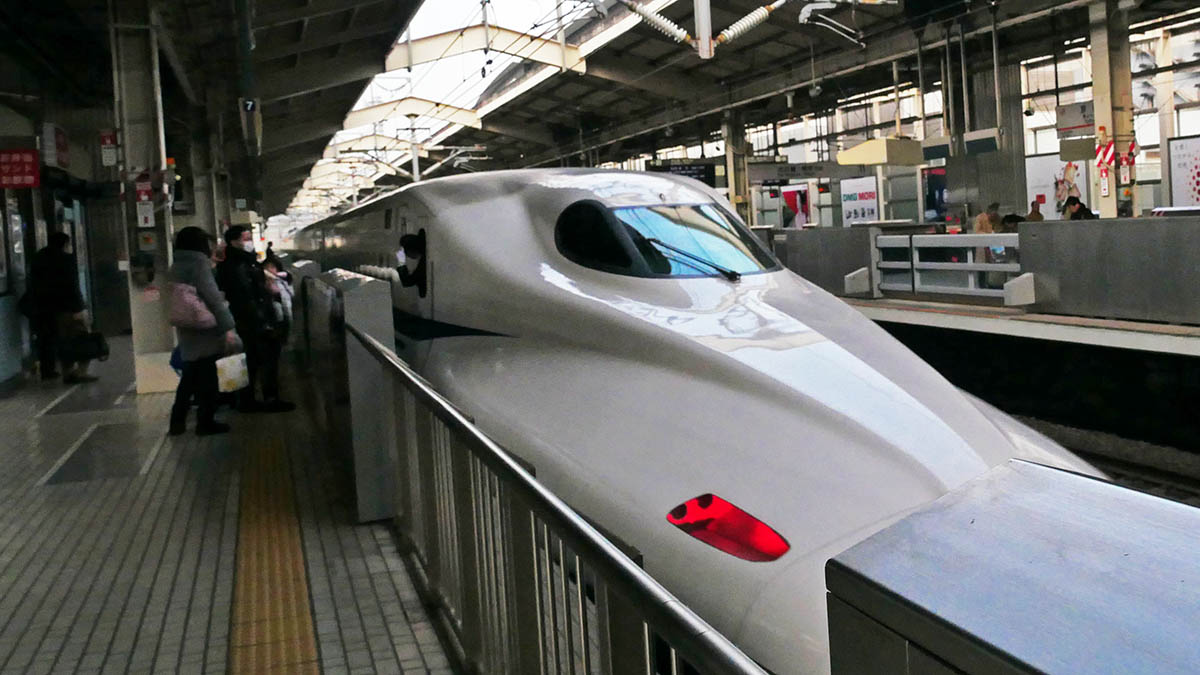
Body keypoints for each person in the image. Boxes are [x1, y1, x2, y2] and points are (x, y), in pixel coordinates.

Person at [216, 226, 294, 413]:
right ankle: (267, 400)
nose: (250, 241)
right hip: (253, 321)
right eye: (246, 238)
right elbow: (247, 297)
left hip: (250, 320)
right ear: (234, 241)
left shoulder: (242, 262)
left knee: (251, 362)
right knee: (264, 361)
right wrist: (264, 322)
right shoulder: (237, 266)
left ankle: (247, 400)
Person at [169, 227, 239, 436]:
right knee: (209, 376)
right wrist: (228, 327)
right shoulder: (199, 263)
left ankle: (177, 422)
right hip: (206, 326)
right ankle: (205, 422)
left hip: (187, 326)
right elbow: (213, 298)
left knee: (190, 376)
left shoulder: (176, 264)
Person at [28, 232, 96, 383]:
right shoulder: (66, 260)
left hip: (43, 308)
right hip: (67, 308)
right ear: (65, 244)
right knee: (81, 338)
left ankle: (59, 371)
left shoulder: (38, 258)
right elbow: (72, 285)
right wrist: (80, 308)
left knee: (56, 341)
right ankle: (81, 372)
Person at [395, 233, 427, 297]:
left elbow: (407, 282)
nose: (407, 256)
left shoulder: (422, 266)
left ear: (411, 250)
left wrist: (401, 263)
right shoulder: (423, 261)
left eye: (406, 252)